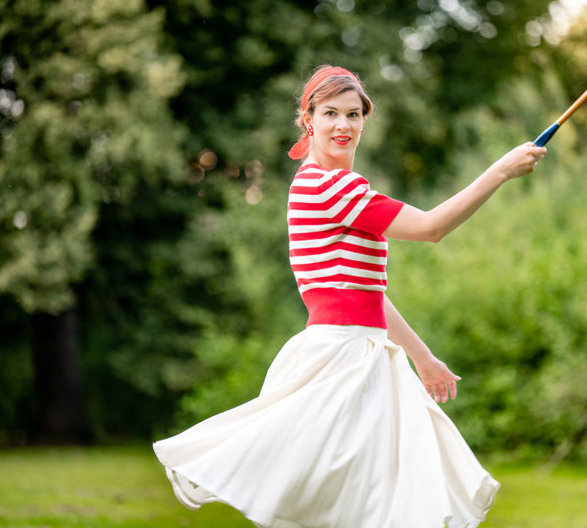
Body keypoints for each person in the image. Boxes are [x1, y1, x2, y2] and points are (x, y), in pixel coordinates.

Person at [153, 65, 546, 528]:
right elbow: (431, 227)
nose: (343, 124)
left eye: (354, 114)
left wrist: (422, 357)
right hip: (343, 360)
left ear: (364, 121)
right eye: (330, 113)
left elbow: (367, 293)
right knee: (369, 504)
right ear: (308, 119)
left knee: (371, 505)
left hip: (362, 353)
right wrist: (499, 171)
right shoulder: (331, 187)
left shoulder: (314, 183)